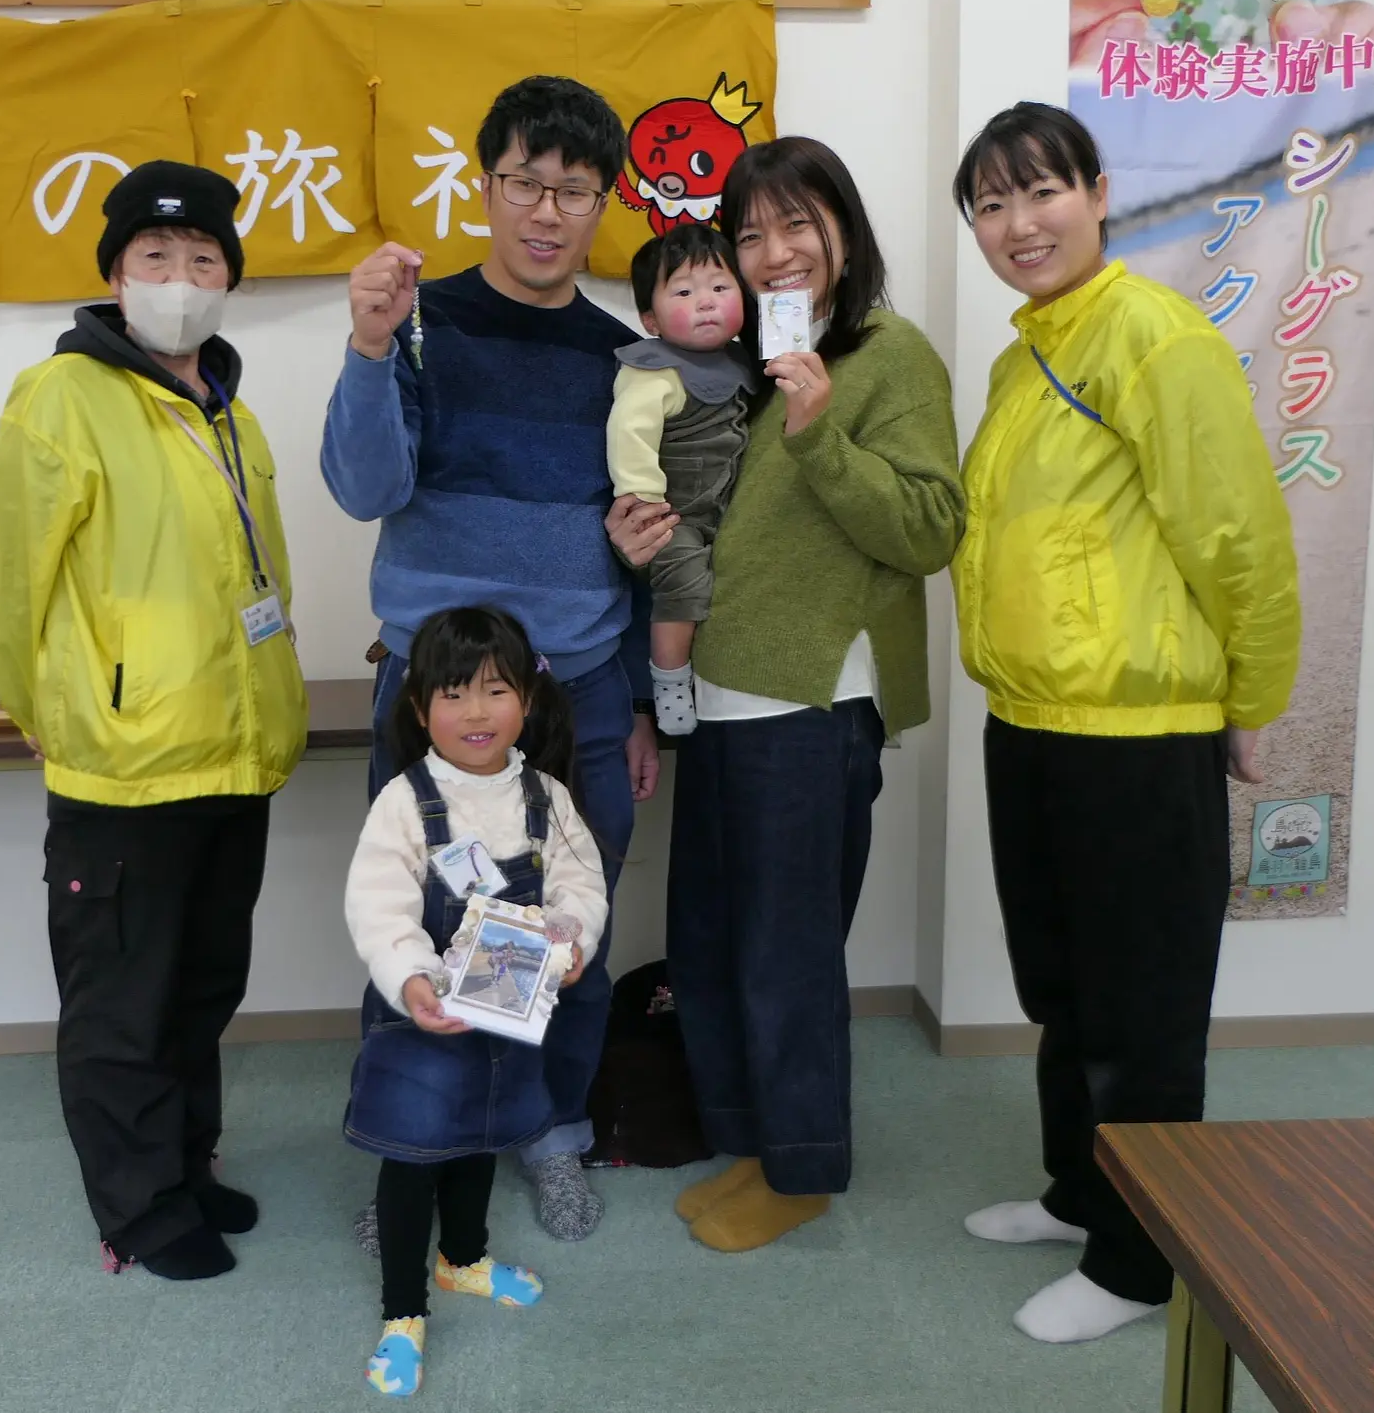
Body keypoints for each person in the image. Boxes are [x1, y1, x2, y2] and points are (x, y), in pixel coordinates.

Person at [950, 102, 1301, 1342]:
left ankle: (1140, 1262)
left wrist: (1251, 697)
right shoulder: (1026, 356)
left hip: (1137, 736)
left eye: (1040, 191)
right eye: (991, 204)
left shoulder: (1155, 335)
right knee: (1065, 988)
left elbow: (1237, 532)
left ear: (1098, 191)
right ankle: (1081, 1191)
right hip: (1031, 721)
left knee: (1141, 1008)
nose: (1018, 223)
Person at [610, 137, 965, 1251]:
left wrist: (820, 437)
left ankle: (802, 1167)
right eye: (750, 233)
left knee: (787, 953)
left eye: (797, 224)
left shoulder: (888, 356)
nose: (773, 253)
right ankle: (749, 1138)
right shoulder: (740, 361)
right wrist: (640, 535)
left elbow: (931, 527)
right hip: (715, 698)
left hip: (811, 705)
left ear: (843, 230)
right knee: (710, 940)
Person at [322, 76, 660, 1243]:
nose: (547, 212)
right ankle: (417, 1149)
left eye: (574, 191)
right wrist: (370, 347)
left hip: (578, 695)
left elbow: (641, 542)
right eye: (525, 183)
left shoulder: (626, 359)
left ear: (603, 203)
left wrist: (640, 703)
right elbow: (365, 487)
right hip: (438, 698)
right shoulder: (420, 324)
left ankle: (550, 1130)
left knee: (568, 930)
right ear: (486, 185)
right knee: (421, 929)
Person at [0, 161, 308, 1281]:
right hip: (124, 763)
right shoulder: (60, 397)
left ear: (229, 279)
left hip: (233, 753)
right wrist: (42, 708)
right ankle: (138, 1206)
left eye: (203, 259)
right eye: (155, 258)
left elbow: (259, 578)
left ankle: (186, 1166)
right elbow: (9, 576)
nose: (180, 279)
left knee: (201, 988)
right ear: (116, 276)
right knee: (122, 999)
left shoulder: (229, 409)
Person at [345, 607, 608, 1399]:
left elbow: (579, 885)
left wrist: (569, 943)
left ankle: (462, 1259)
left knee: (480, 1139)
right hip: (422, 1019)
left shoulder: (545, 796)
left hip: (506, 1015)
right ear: (419, 705)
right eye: (454, 694)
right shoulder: (405, 800)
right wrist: (412, 977)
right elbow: (379, 905)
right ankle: (402, 1312)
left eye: (495, 690)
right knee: (413, 1158)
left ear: (527, 697)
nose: (476, 711)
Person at [607, 224, 754, 735]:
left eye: (720, 287)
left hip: (728, 508)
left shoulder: (742, 362)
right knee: (685, 582)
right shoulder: (653, 369)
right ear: (650, 318)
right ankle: (669, 680)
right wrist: (644, 504)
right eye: (685, 292)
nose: (706, 302)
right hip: (674, 515)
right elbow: (630, 432)